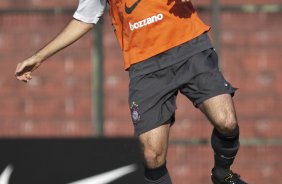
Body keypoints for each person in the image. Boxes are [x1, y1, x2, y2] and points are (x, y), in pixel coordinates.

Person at [15, 0, 248, 183]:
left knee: (227, 122)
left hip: (190, 47)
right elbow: (84, 18)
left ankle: (223, 174)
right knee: (152, 155)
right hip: (145, 66)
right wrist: (39, 57)